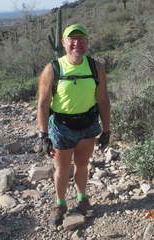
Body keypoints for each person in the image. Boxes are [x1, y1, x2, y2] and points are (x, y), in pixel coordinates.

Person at [37, 24, 111, 226]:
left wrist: (106, 130)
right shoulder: (53, 69)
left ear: (87, 43)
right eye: (72, 39)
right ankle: (60, 204)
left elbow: (103, 100)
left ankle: (82, 198)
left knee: (82, 164)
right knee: (61, 168)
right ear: (64, 43)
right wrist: (43, 135)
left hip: (88, 124)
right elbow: (43, 104)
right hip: (62, 127)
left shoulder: (96, 67)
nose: (77, 43)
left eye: (81, 39)